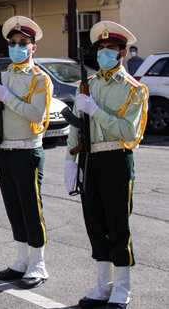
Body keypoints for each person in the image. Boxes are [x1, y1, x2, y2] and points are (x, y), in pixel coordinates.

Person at [64, 21, 148, 309]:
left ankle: (122, 287)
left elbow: (130, 134)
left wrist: (97, 111)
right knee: (95, 224)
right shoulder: (88, 84)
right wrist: (70, 162)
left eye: (110, 49)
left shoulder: (134, 90)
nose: (104, 54)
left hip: (115, 159)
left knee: (118, 224)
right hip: (90, 158)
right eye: (100, 49)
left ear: (123, 52)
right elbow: (76, 127)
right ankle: (103, 285)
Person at [0, 16, 53, 289]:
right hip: (6, 149)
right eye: (12, 43)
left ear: (33, 48)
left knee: (31, 208)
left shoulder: (40, 80)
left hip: (27, 151)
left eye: (22, 43)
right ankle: (22, 259)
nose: (16, 47)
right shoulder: (4, 75)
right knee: (14, 207)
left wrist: (8, 98)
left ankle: (38, 263)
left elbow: (37, 115)